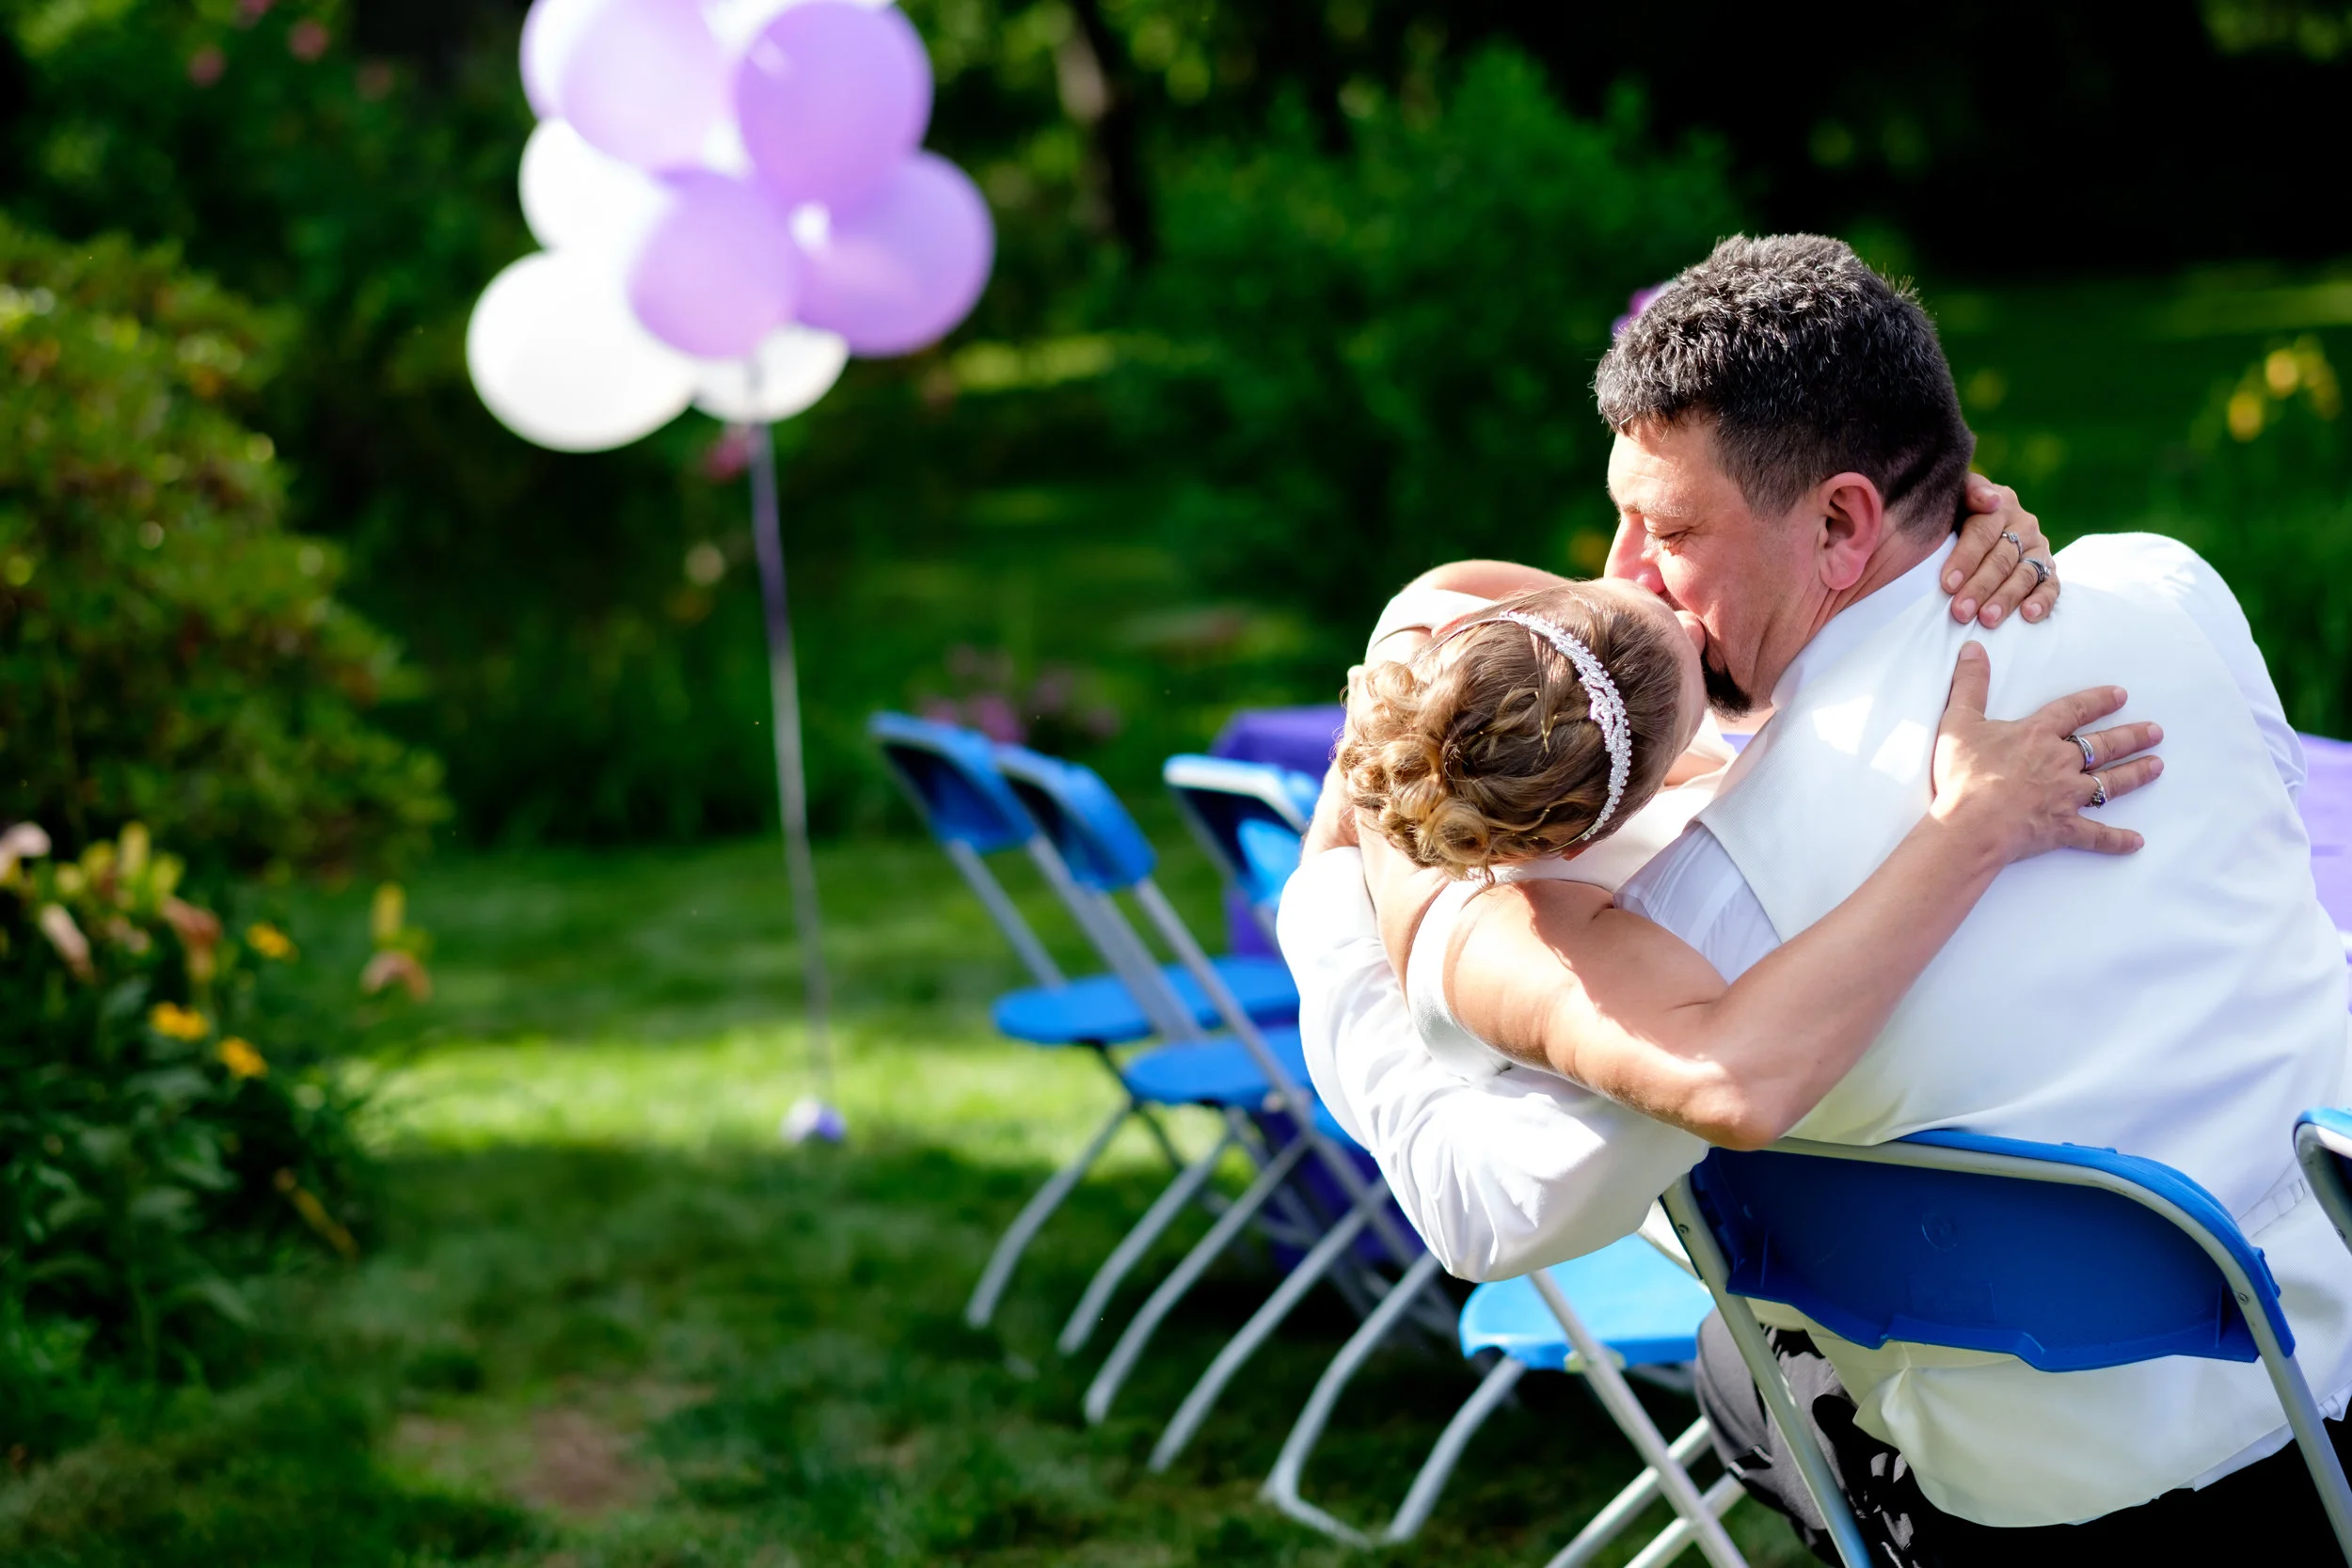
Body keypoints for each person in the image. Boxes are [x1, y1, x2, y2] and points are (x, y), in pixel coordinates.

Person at [1279, 234, 2352, 1563]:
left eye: (1669, 532)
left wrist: (1338, 904)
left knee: (1746, 1368)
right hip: (2332, 1419)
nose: (1624, 573)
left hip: (2066, 1517)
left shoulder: (1719, 896)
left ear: (1842, 520)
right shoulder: (2169, 590)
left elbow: (1490, 1205)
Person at [1332, 567, 2157, 1147]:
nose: (1688, 612)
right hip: (1412, 1107)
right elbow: (1735, 1088)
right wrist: (1976, 822)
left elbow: (1444, 594)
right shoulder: (1517, 938)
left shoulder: (1438, 631)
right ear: (1590, 838)